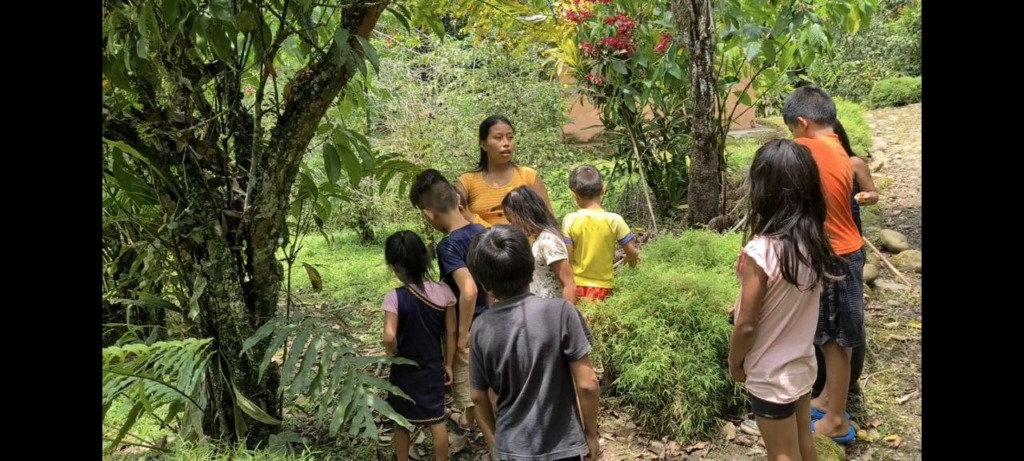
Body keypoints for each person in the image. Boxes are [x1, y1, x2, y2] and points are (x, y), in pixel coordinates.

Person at [729, 139, 840, 461]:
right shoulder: (813, 243)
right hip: (802, 365)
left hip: (769, 371)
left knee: (781, 455)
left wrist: (735, 363)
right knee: (804, 445)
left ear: (762, 190)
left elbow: (747, 325)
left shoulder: (761, 251)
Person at [466, 225, 601, 461]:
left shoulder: (480, 328)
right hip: (564, 447)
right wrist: (590, 433)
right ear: (531, 269)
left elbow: (477, 396)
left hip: (512, 448)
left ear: (485, 284)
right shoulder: (562, 313)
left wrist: (495, 442)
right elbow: (587, 383)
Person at [783, 85, 864, 444]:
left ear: (801, 123)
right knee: (839, 340)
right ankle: (830, 399)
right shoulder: (839, 150)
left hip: (833, 256)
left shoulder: (806, 149)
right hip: (848, 250)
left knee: (833, 341)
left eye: (791, 130)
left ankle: (835, 421)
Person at [408, 169, 490, 438]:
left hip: (473, 324)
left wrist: (463, 334)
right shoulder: (482, 231)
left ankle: (491, 439)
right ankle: (474, 424)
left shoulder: (448, 247)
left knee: (472, 389)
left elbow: (468, 290)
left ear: (428, 214)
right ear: (458, 199)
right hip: (495, 319)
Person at [812, 119, 879, 398]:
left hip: (848, 243)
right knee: (825, 317)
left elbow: (874, 192)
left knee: (847, 319)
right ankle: (824, 384)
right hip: (823, 245)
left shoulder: (854, 164)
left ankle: (841, 386)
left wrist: (867, 197)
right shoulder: (815, 165)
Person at [381, 231, 456, 461]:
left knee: (401, 420)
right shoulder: (445, 292)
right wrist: (449, 364)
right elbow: (450, 332)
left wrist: (391, 352)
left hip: (404, 370)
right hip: (432, 367)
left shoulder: (394, 297)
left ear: (395, 266)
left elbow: (388, 336)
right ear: (425, 259)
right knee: (437, 420)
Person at [501, 186, 594, 344]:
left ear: (523, 213)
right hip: (544, 316)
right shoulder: (538, 241)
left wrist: (565, 324)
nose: (511, 224)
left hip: (553, 317)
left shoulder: (548, 241)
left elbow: (568, 283)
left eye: (511, 219)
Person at [457, 115, 553, 227]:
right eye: (498, 138)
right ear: (483, 144)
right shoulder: (467, 181)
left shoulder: (528, 176)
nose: (506, 143)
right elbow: (457, 221)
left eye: (510, 137)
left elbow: (548, 220)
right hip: (481, 242)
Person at [562, 165, 640, 302]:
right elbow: (632, 254)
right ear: (603, 189)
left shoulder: (570, 220)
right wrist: (634, 268)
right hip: (604, 287)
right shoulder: (615, 220)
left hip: (577, 286)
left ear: (575, 194)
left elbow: (567, 257)